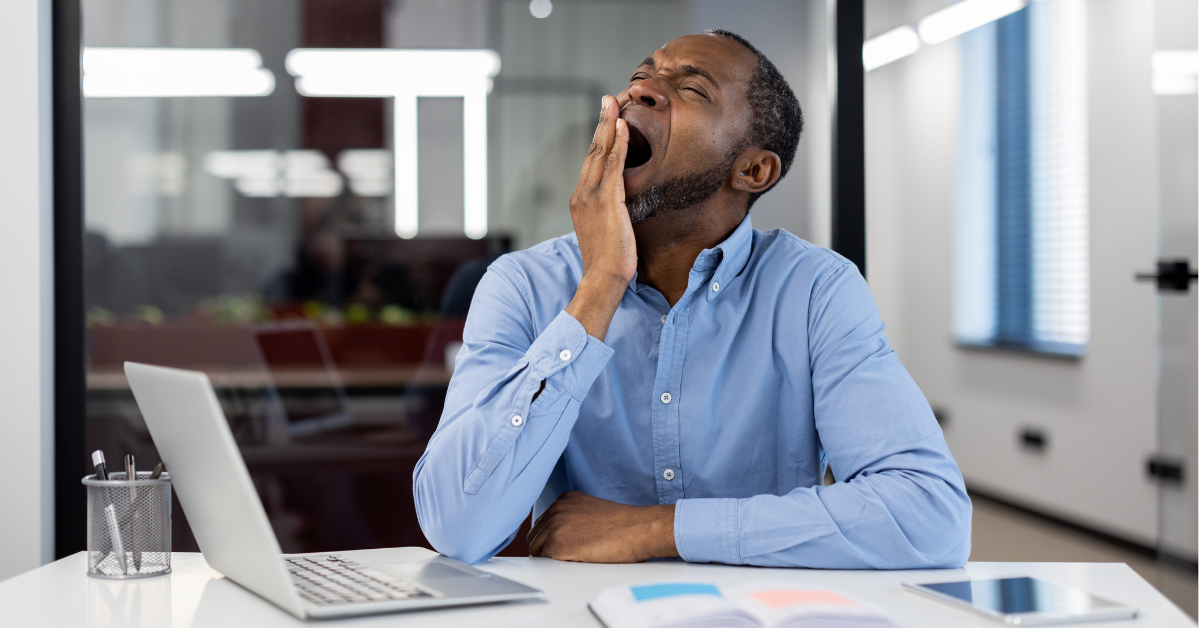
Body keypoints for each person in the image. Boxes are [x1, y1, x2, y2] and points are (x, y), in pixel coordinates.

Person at [413, 29, 971, 568]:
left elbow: (929, 514)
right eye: (640, 76)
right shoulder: (522, 285)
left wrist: (656, 530)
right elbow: (458, 527)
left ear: (753, 169)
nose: (640, 91)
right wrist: (600, 285)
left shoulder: (814, 290)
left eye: (691, 88)